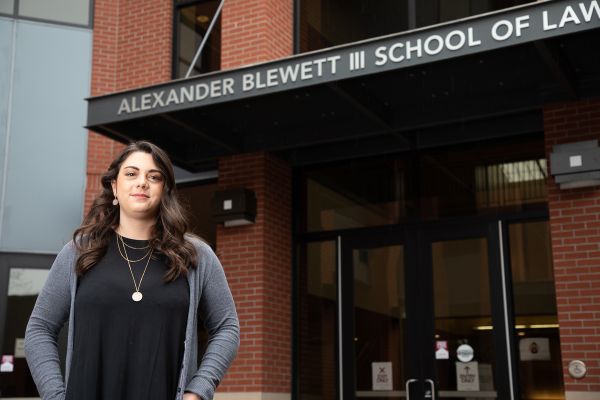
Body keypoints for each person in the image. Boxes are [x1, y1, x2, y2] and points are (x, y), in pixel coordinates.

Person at [24, 141, 240, 400]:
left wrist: (197, 391)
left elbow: (227, 327)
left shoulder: (196, 256)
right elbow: (39, 329)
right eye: (131, 174)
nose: (142, 183)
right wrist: (55, 395)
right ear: (115, 186)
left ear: (165, 189)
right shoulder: (79, 252)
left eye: (154, 176)